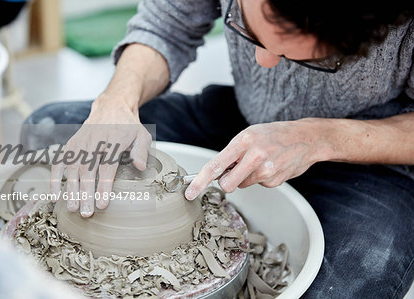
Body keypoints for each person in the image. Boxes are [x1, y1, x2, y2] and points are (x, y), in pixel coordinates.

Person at [21, 0, 414, 297]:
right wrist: (116, 102)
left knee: (356, 280)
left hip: (371, 155)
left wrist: (319, 137)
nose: (262, 61)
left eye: (307, 58)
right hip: (244, 122)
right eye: (247, 28)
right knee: (49, 132)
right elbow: (167, 24)